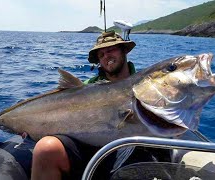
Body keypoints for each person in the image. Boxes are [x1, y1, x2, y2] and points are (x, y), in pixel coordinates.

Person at [29, 31, 169, 180]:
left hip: (135, 150)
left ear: (124, 51)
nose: (106, 56)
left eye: (110, 50)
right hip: (90, 149)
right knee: (46, 148)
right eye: (101, 55)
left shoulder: (147, 84)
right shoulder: (87, 87)